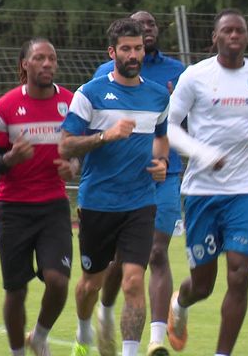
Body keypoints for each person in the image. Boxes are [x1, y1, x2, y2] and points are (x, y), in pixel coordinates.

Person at [165, 9, 248, 356]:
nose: (234, 36)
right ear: (215, 38)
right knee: (202, 285)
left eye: (240, 31)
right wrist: (202, 155)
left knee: (240, 273)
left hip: (244, 191)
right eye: (227, 31)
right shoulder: (195, 76)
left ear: (247, 38)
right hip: (202, 191)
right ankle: (180, 304)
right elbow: (171, 126)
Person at [60, 18, 169, 356]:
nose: (134, 54)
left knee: (134, 280)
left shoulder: (157, 95)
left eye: (138, 48)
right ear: (113, 52)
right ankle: (83, 331)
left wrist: (161, 163)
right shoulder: (89, 94)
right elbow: (65, 146)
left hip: (140, 202)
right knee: (91, 283)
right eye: (126, 49)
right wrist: (106, 135)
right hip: (98, 202)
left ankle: (130, 352)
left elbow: (162, 138)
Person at [91, 10, 185, 356]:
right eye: (138, 27)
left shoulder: (177, 72)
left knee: (157, 252)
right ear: (117, 48)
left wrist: (163, 158)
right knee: (120, 262)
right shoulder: (105, 75)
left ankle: (156, 339)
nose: (147, 31)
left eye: (151, 25)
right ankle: (104, 311)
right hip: (119, 184)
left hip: (163, 176)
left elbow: (189, 118)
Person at [0, 37, 76, 356]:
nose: (47, 64)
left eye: (52, 58)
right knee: (15, 290)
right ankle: (17, 352)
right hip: (13, 209)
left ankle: (39, 335)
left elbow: (79, 154)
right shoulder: (3, 107)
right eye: (39, 58)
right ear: (25, 64)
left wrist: (73, 167)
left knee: (58, 281)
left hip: (53, 207)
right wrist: (10, 159)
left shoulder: (71, 104)